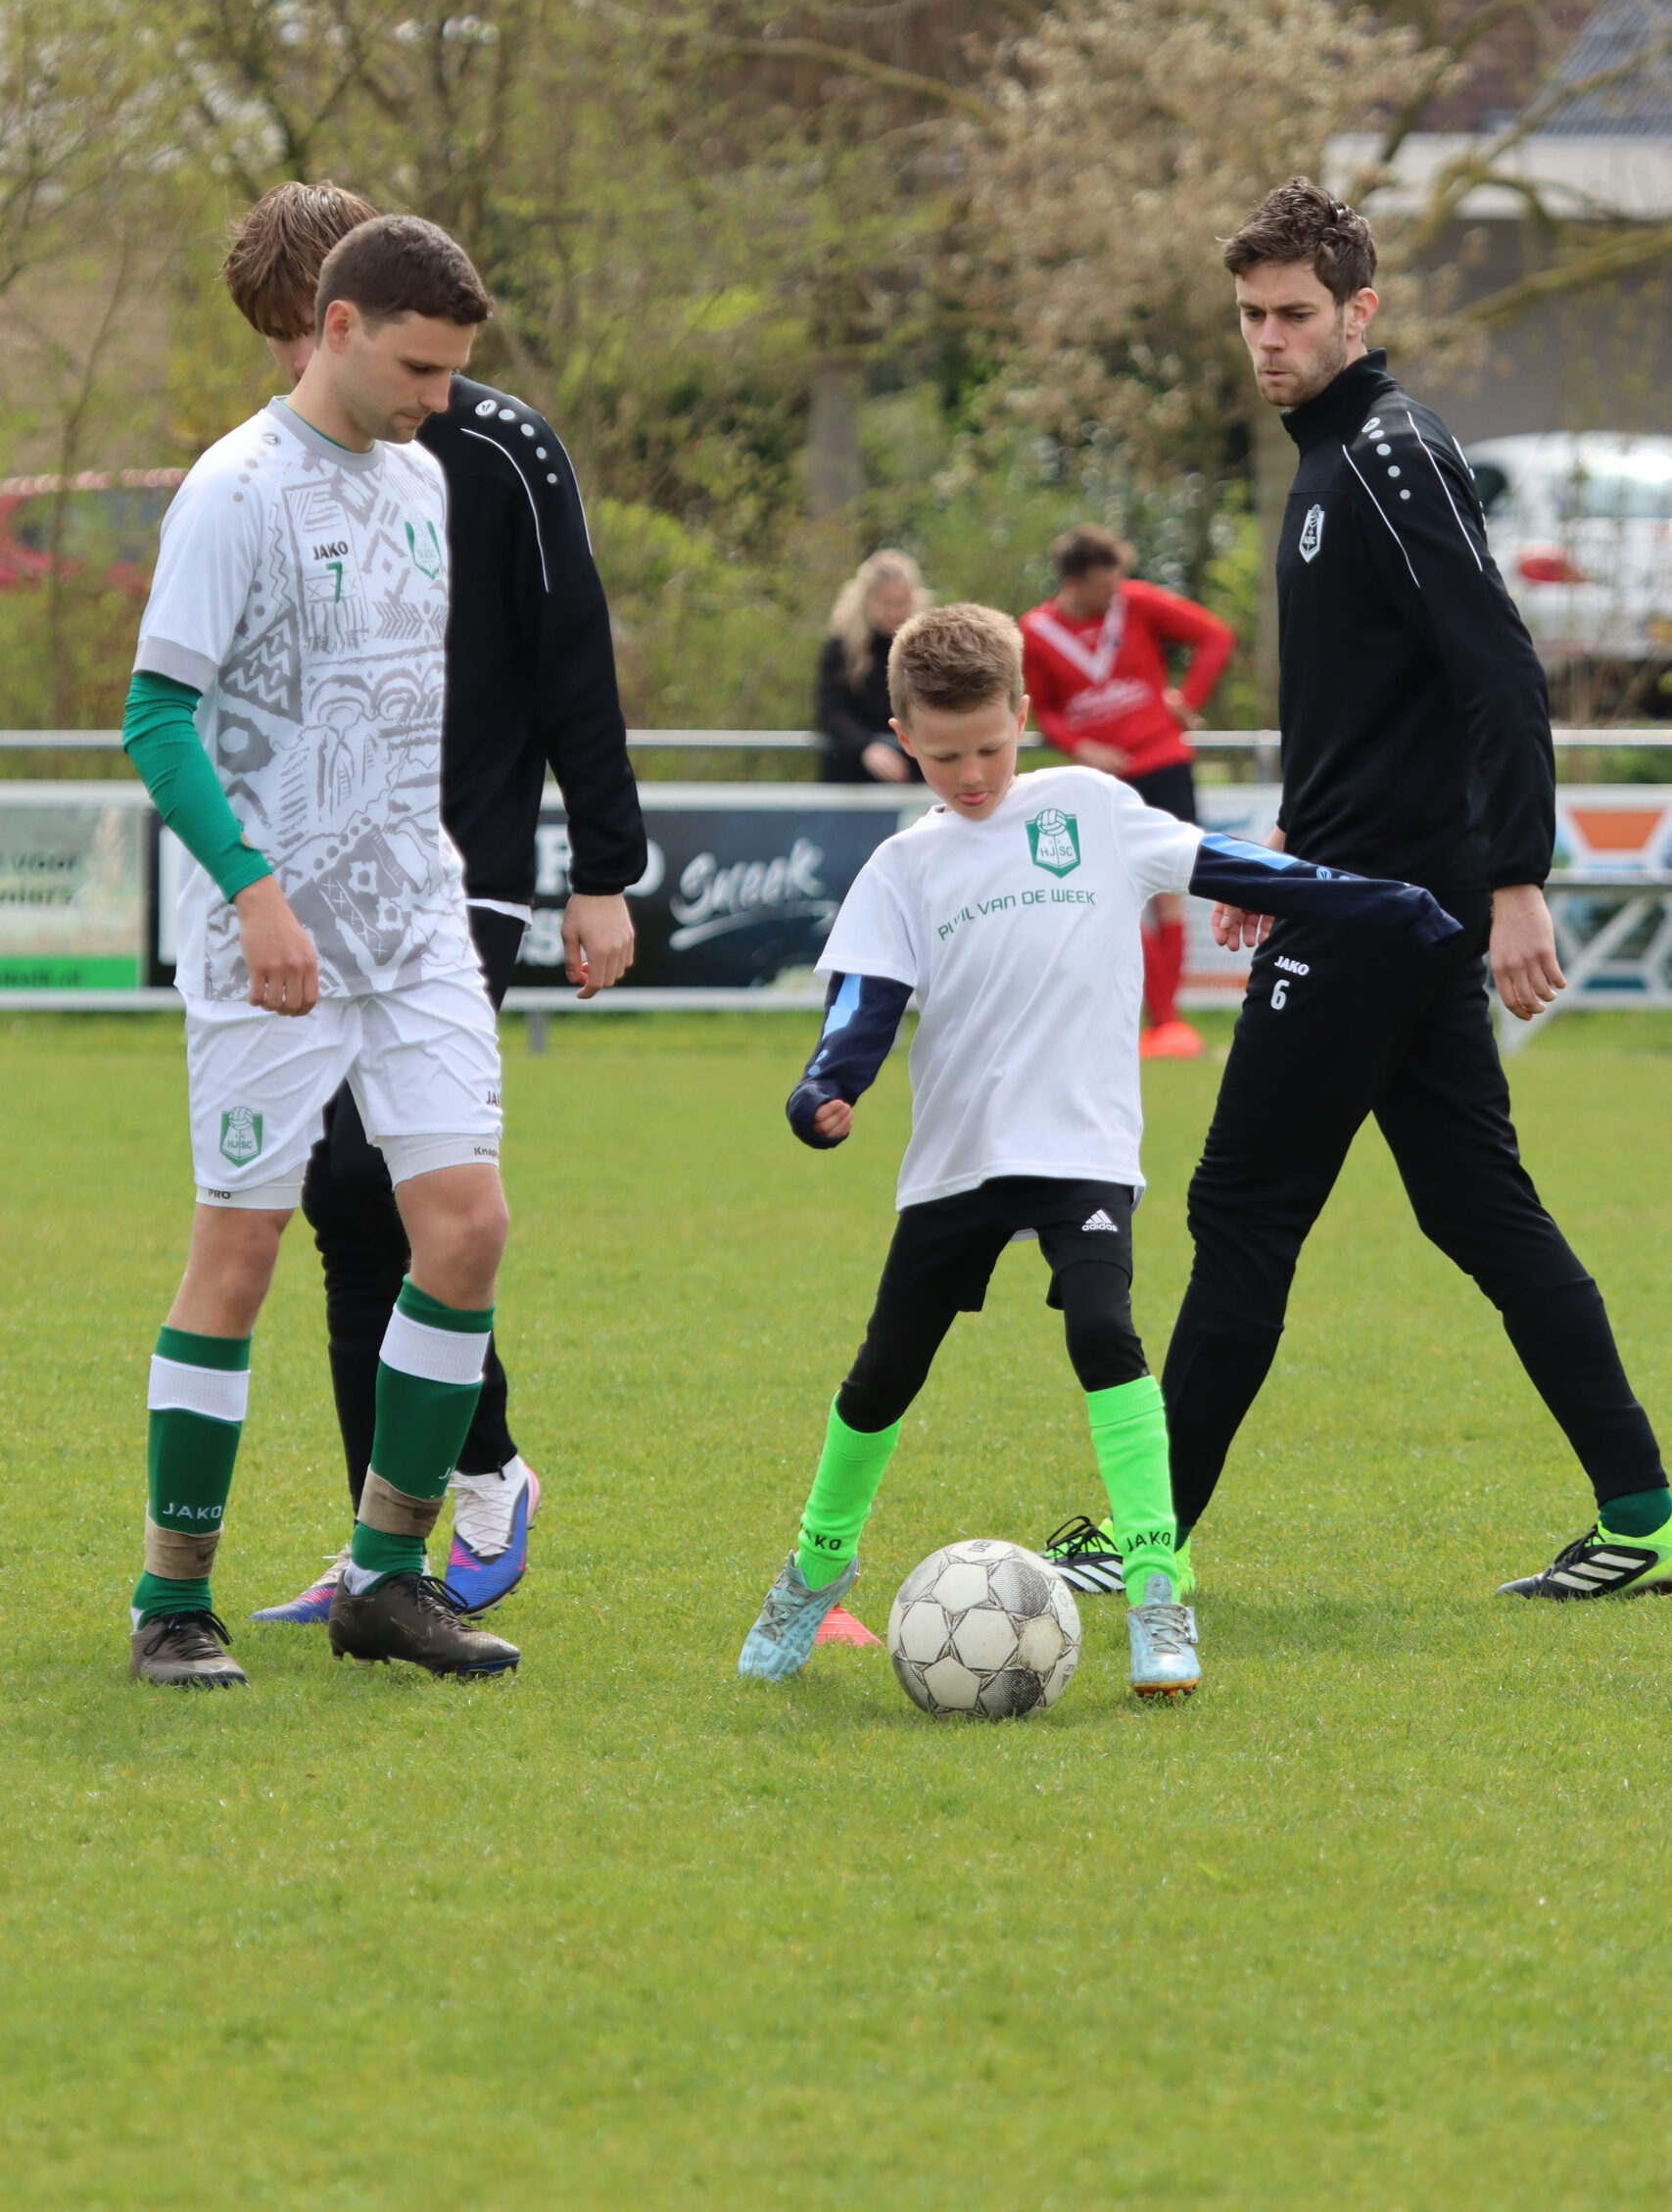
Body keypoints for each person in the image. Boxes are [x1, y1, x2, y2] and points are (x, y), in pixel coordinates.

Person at [1050, 177, 1672, 1608]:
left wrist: (1519, 877)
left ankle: (1145, 1535)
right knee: (1477, 1208)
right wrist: (1280, 849)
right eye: (1249, 316)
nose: (1267, 339)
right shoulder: (1330, 458)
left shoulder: (1389, 453)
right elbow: (1372, 705)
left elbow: (1496, 666)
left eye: (1292, 314)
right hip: (1358, 889)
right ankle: (1644, 1512)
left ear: (1358, 311)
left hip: (1382, 909)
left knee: (1241, 1204)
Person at [736, 603, 1463, 1696]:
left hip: (1080, 1144)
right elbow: (862, 1006)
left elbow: (1231, 866)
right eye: (942, 756)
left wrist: (1386, 903)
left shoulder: (1088, 807)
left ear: (1024, 715)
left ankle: (1158, 1589)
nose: (970, 775)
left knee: (1103, 1330)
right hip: (959, 1159)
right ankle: (814, 1570)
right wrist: (823, 1090)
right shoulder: (902, 866)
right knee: (885, 1371)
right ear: (902, 735)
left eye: (990, 748)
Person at [214, 182, 645, 1623]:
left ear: (349, 310)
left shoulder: (501, 449)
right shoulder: (283, 466)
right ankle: (382, 1553)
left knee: (374, 1182)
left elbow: (576, 655)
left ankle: (486, 1470)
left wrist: (603, 871)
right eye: (277, 348)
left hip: (463, 878)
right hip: (319, 886)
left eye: (302, 334)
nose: (295, 368)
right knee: (346, 1205)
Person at [122, 214, 542, 1686]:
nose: (440, 395)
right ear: (340, 325)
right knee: (239, 1252)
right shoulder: (233, 490)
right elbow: (156, 717)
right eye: (419, 367)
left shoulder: (425, 478)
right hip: (272, 937)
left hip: (414, 925)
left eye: (453, 370)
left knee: (467, 1229)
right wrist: (254, 891)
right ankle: (172, 1599)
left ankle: (385, 1575)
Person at [1020, 526, 1234, 1061]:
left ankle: (1167, 1024)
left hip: (1163, 763)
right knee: (1113, 895)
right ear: (1072, 582)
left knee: (1167, 892)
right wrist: (1081, 747)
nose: (1113, 591)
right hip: (1100, 779)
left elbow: (1215, 636)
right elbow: (1043, 709)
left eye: (1116, 580)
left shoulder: (1136, 601)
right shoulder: (1035, 631)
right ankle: (1155, 1020)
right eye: (1101, 584)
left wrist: (1188, 699)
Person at [816, 549, 928, 784]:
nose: (895, 612)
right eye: (886, 603)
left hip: (916, 779)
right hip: (854, 780)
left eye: (902, 602)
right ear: (866, 601)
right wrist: (866, 747)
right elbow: (832, 711)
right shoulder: (842, 648)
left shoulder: (928, 647)